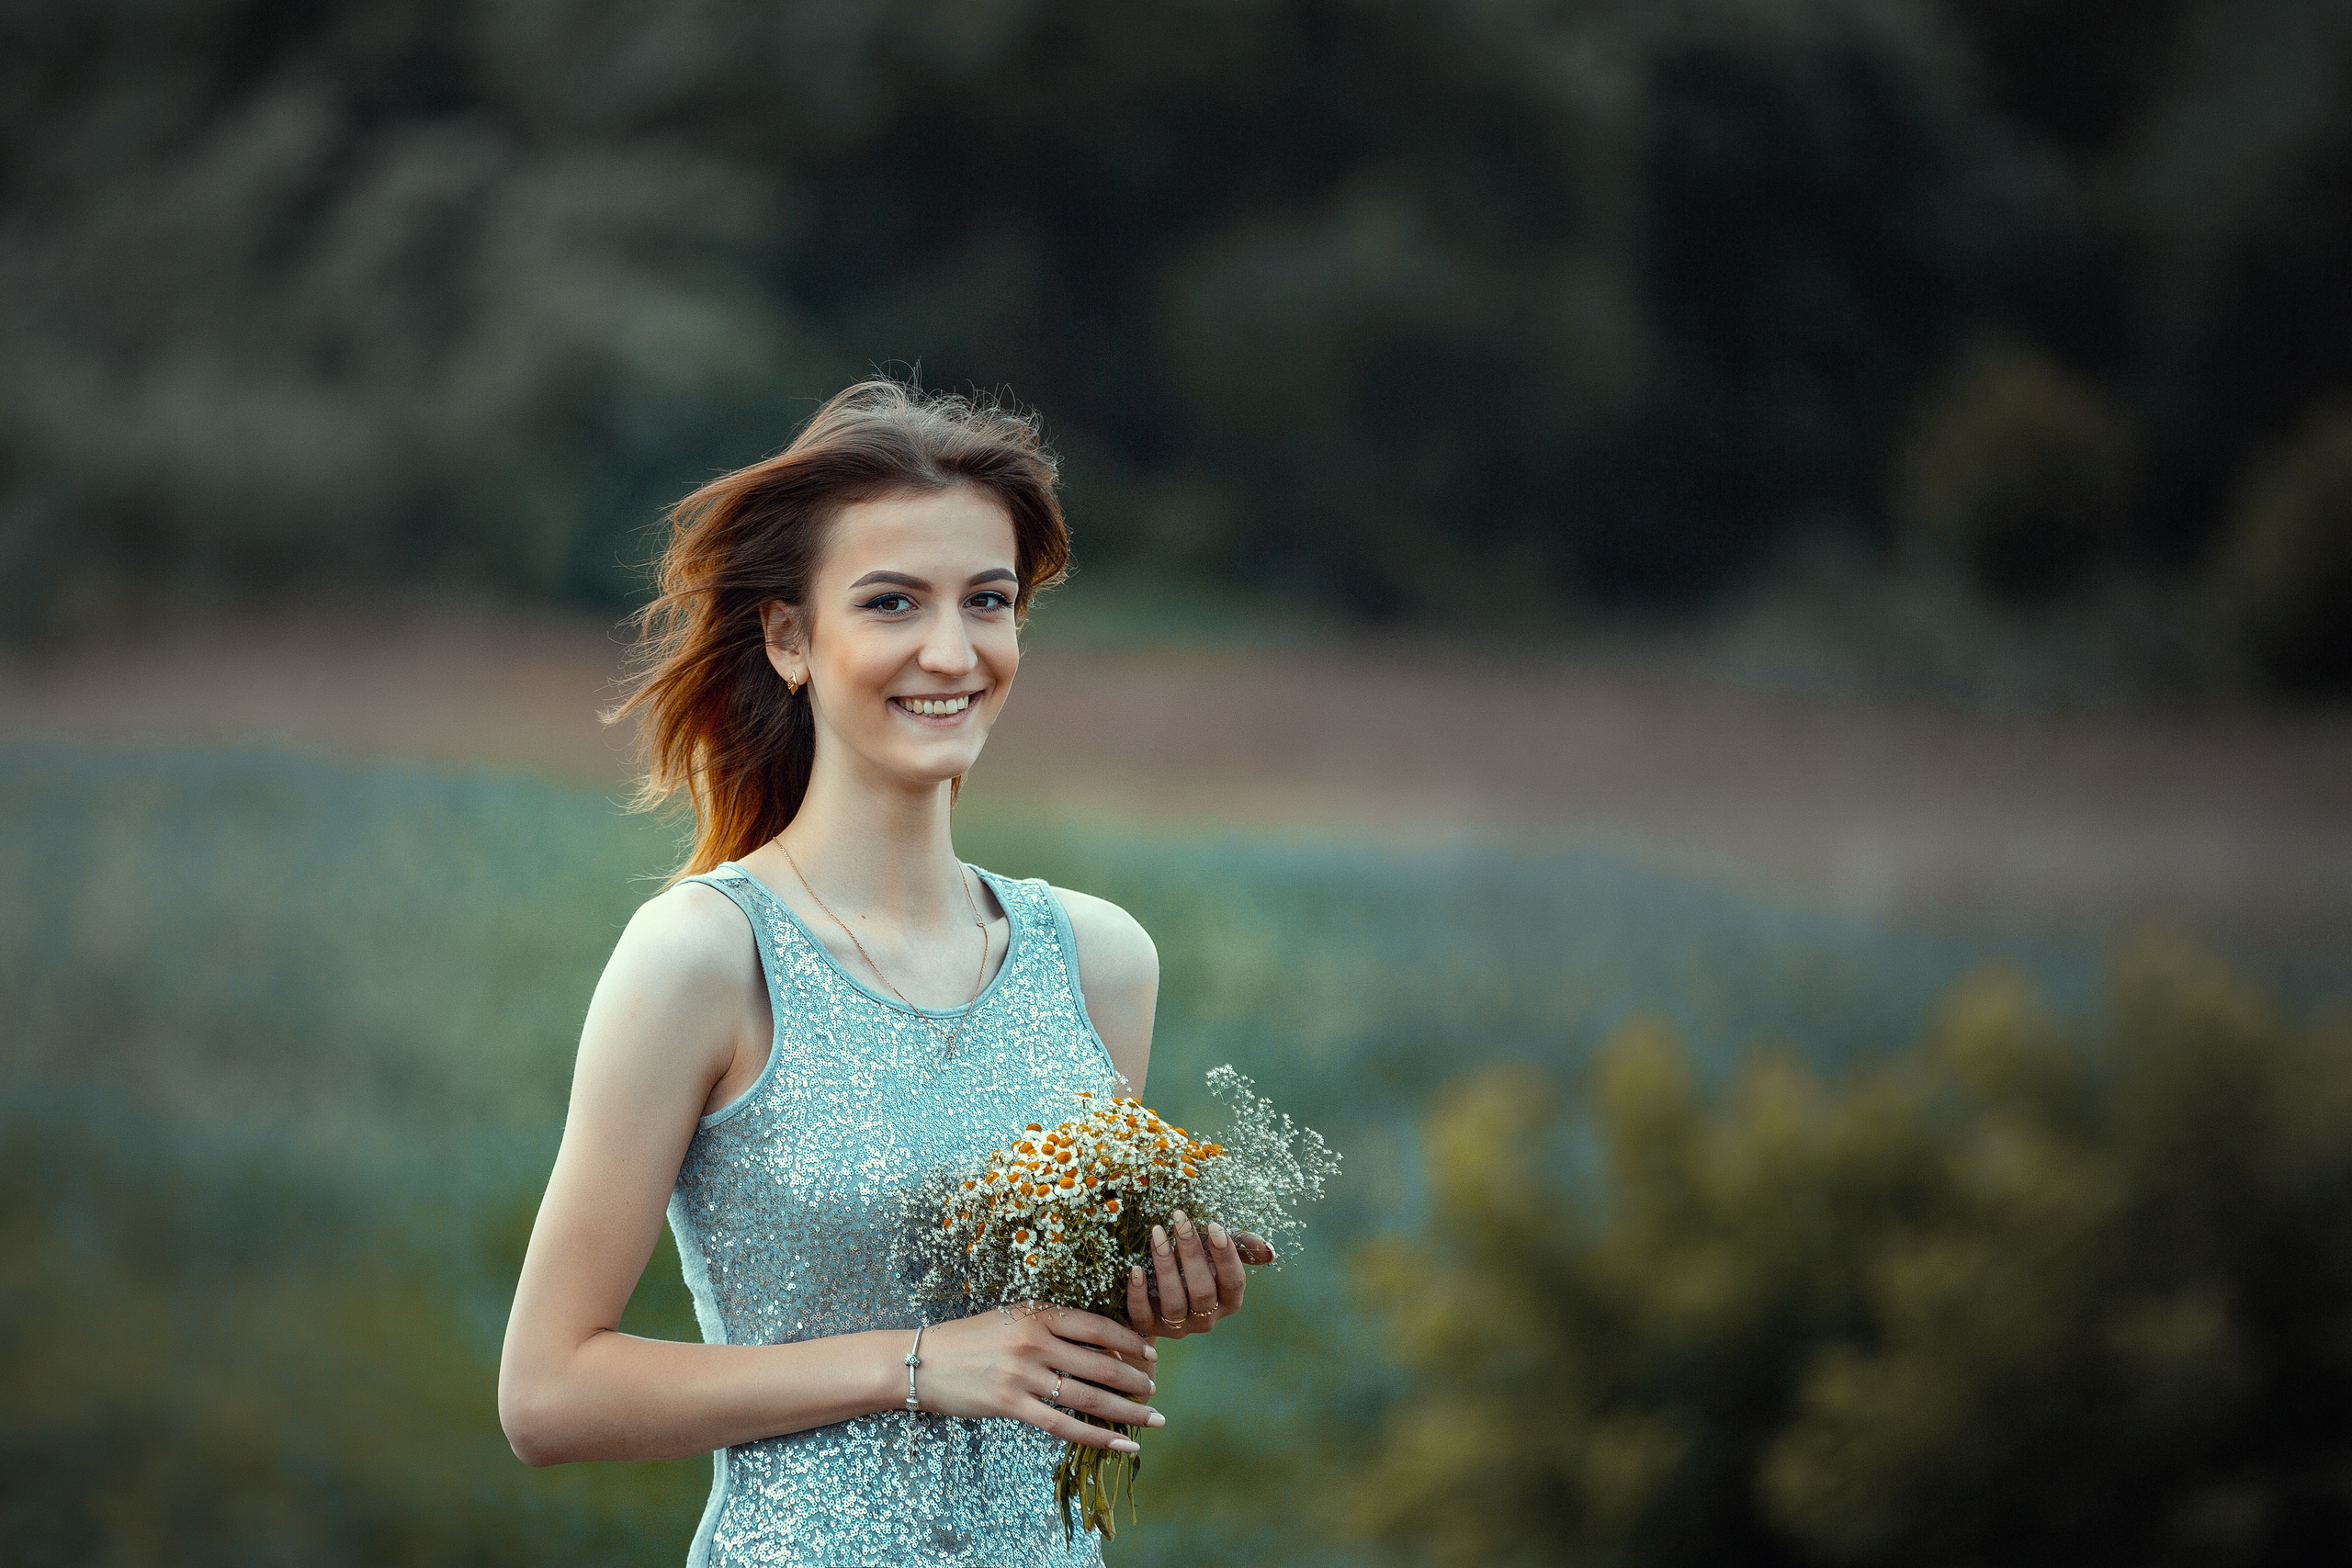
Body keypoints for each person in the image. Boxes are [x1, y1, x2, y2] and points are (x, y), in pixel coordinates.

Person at [497, 381, 1274, 1567]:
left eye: (990, 602)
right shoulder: (708, 956)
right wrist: (917, 1368)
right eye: (892, 602)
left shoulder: (1103, 961)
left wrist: (1153, 1298)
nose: (953, 652)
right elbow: (547, 1395)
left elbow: (1043, 1349)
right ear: (789, 638)